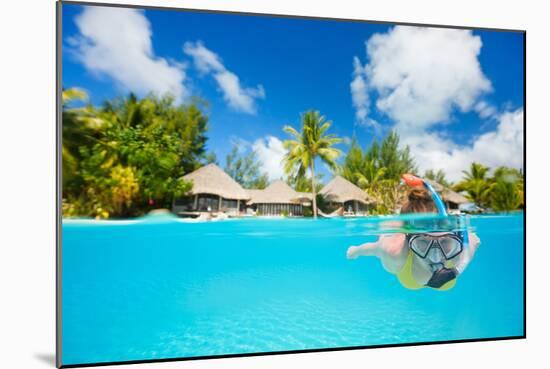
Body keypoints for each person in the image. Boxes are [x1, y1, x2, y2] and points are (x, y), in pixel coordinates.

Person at [346, 175, 480, 291]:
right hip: (406, 268)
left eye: (445, 241)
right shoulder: (394, 253)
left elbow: (476, 240)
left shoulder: (461, 252)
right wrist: (356, 251)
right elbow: (374, 249)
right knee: (381, 245)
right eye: (422, 242)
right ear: (409, 239)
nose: (435, 255)